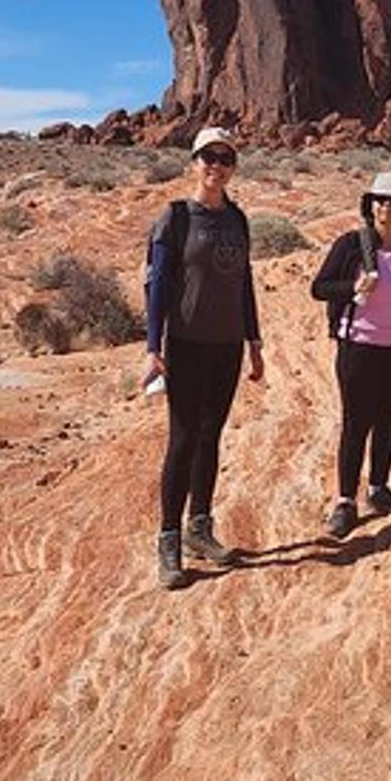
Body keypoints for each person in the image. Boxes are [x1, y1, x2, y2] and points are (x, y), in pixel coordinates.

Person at [142, 127, 265, 589]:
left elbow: (245, 284)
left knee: (211, 436)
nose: (217, 166)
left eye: (226, 158)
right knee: (183, 438)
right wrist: (153, 348)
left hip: (228, 343)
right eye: (209, 157)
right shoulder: (174, 218)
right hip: (187, 344)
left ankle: (200, 528)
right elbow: (155, 288)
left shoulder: (237, 219)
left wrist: (255, 342)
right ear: (193, 162)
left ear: (233, 167)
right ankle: (169, 541)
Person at [309, 171, 391, 537]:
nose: (386, 207)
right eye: (379, 200)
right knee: (355, 422)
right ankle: (345, 501)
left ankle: (378, 489)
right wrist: (352, 287)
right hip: (359, 347)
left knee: (387, 419)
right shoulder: (351, 245)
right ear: (370, 205)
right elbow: (319, 288)